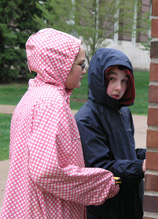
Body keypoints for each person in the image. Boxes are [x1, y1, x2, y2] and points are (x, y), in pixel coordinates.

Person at [0, 28, 119, 219]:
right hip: (46, 210)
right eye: (80, 64)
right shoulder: (50, 103)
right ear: (61, 64)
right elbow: (46, 171)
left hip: (28, 207)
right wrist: (103, 182)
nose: (84, 70)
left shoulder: (33, 95)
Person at [75, 48, 146, 219]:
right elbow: (102, 167)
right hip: (106, 209)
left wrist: (147, 156)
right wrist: (140, 167)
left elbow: (124, 154)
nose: (119, 88)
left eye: (124, 80)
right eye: (112, 79)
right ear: (99, 78)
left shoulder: (123, 112)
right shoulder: (86, 118)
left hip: (131, 202)